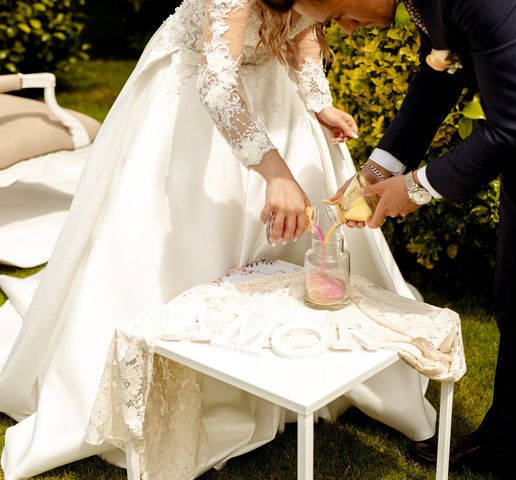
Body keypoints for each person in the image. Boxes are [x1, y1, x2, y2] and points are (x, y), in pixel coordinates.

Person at [0, 1, 439, 479]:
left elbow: (302, 27)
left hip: (273, 96)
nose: (350, 30)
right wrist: (276, 173)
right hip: (199, 100)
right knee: (187, 246)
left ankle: (298, 368)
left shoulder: (320, 3)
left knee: (305, 245)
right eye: (350, 18)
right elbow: (216, 84)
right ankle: (188, 402)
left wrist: (318, 102)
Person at [262, 0, 516, 479]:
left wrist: (417, 188)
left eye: (337, 14)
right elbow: (438, 74)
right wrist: (378, 171)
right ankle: (505, 444)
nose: (348, 30)